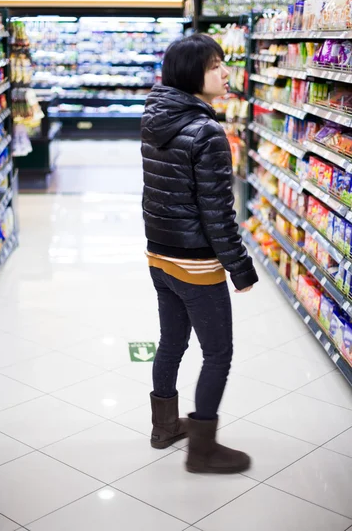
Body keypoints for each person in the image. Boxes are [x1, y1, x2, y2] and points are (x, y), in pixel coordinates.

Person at [141, 34, 259, 474]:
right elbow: (217, 213)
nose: (226, 73)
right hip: (195, 261)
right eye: (215, 66)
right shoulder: (207, 131)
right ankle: (204, 449)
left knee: (172, 341)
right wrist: (240, 269)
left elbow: (154, 192)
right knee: (218, 353)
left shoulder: (155, 118)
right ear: (193, 74)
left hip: (160, 255)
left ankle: (165, 427)